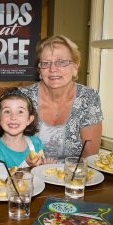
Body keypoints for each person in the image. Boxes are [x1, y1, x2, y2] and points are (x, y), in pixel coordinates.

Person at [20, 35, 103, 164]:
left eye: (61, 62)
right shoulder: (23, 98)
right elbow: (8, 146)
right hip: (31, 175)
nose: (53, 69)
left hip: (73, 177)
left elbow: (90, 156)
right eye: (46, 63)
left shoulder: (89, 98)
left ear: (75, 68)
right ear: (39, 71)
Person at [0, 87, 45, 169]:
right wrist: (26, 164)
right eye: (7, 111)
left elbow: (41, 173)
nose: (13, 117)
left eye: (20, 112)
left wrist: (45, 165)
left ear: (29, 119)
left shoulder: (36, 144)